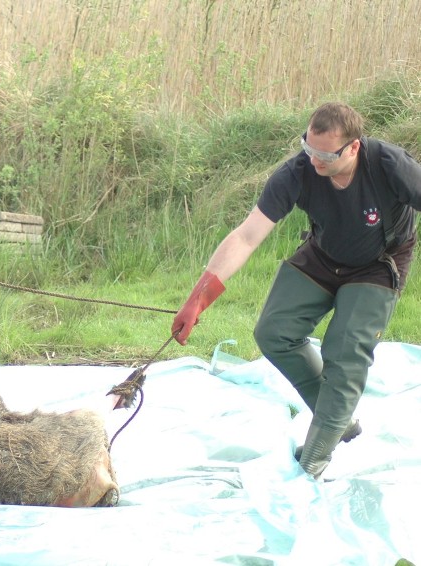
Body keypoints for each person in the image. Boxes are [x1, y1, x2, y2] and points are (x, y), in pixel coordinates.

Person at [172, 102, 421, 479]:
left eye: (325, 154)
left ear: (353, 147)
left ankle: (314, 460)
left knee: (344, 350)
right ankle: (337, 420)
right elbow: (247, 235)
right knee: (272, 332)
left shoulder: (388, 164)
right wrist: (199, 298)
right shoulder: (297, 172)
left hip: (379, 262)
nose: (315, 160)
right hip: (324, 253)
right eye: (308, 147)